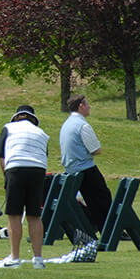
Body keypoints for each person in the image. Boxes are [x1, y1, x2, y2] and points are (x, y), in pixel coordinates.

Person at [0, 104, 49, 269]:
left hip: (16, 169)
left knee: (14, 215)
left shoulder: (8, 128)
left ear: (16, 117)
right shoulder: (42, 133)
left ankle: (15, 258)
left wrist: (7, 179)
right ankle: (38, 260)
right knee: (34, 216)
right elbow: (43, 157)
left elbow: (2, 158)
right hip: (38, 172)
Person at [59, 95, 112, 233]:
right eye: (87, 104)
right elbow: (96, 150)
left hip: (71, 170)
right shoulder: (82, 125)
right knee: (103, 199)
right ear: (81, 106)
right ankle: (109, 231)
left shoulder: (66, 124)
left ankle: (94, 226)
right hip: (86, 169)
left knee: (89, 201)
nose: (89, 107)